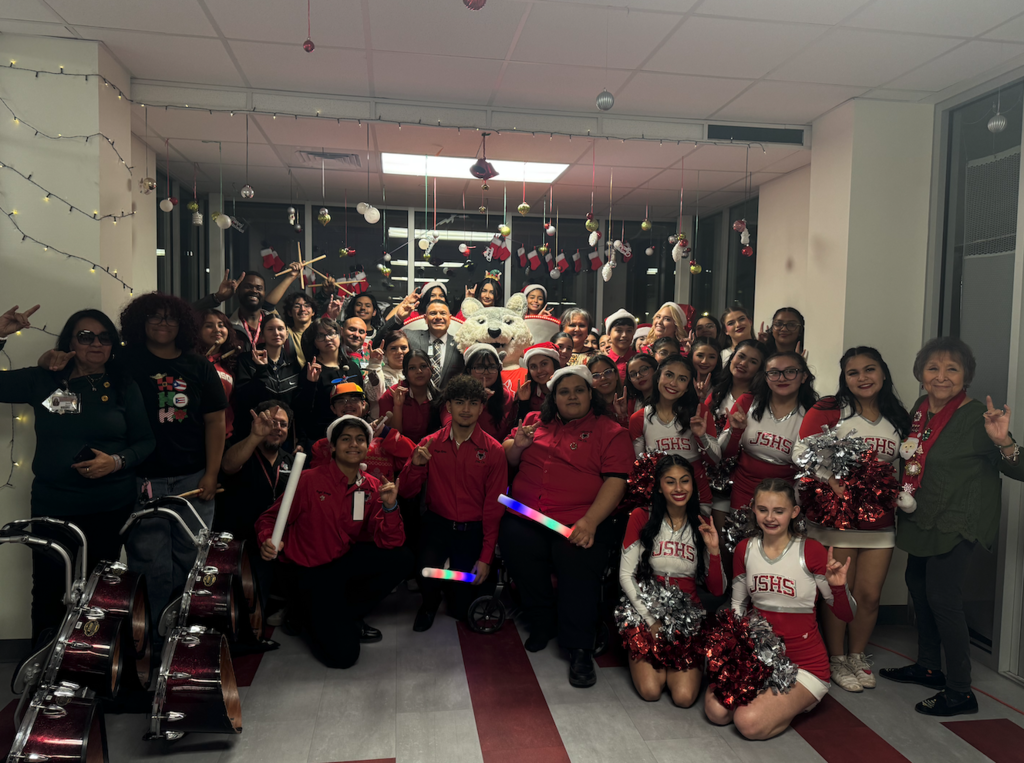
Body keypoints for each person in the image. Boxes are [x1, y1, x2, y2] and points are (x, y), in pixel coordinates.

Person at [880, 337, 1022, 716]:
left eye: (952, 369)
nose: (941, 376)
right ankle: (929, 665)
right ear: (921, 374)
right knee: (917, 585)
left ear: (965, 376)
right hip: (921, 515)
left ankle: (960, 690)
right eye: (933, 368)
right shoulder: (920, 409)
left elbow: (1019, 468)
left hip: (958, 519)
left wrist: (1005, 442)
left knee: (943, 596)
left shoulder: (978, 417)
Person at [3, 305, 155, 641]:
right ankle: (46, 665)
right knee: (48, 590)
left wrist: (116, 461)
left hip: (109, 506)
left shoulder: (123, 385)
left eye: (105, 337)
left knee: (100, 592)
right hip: (53, 506)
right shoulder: (43, 380)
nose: (96, 343)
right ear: (70, 342)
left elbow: (146, 441)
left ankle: (92, 661)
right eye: (86, 336)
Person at [500, 366, 633, 687]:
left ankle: (579, 648)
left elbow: (616, 481)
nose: (572, 396)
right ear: (553, 398)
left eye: (578, 390)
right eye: (564, 391)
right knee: (514, 541)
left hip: (579, 520)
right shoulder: (534, 421)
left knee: (577, 562)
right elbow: (509, 457)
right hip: (528, 515)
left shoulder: (611, 431)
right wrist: (518, 445)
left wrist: (590, 521)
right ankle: (542, 621)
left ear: (590, 395)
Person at [793, 347, 910, 694]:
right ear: (844, 378)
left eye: (869, 369)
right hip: (839, 517)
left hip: (880, 519)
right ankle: (836, 658)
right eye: (853, 372)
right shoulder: (830, 409)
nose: (863, 378)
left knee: (870, 595)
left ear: (883, 372)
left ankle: (857, 655)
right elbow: (800, 452)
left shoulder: (897, 416)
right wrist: (830, 478)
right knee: (840, 592)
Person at [257, 415, 412, 669]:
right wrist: (267, 539)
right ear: (333, 447)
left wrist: (390, 506)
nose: (354, 444)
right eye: (346, 439)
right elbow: (268, 519)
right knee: (344, 656)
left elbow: (391, 542)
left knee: (402, 558)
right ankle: (303, 612)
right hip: (306, 571)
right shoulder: (309, 480)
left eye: (360, 439)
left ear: (367, 447)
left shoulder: (371, 486)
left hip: (339, 563)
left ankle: (342, 612)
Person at [704, 479, 854, 739]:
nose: (770, 518)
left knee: (747, 723)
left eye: (779, 511)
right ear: (753, 508)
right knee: (717, 712)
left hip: (804, 665)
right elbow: (737, 607)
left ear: (794, 512)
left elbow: (846, 614)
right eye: (763, 509)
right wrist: (736, 659)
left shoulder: (811, 550)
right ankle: (767, 698)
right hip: (758, 659)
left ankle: (794, 703)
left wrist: (839, 588)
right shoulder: (745, 549)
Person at [118, 292, 227, 642]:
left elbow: (215, 422)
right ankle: (150, 643)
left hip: (193, 479)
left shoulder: (198, 366)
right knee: (149, 565)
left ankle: (186, 641)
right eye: (155, 316)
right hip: (141, 480)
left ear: (183, 325)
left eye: (171, 318)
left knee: (193, 562)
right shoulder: (124, 361)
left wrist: (211, 473)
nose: (163, 324)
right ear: (141, 322)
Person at [400, 375, 508, 631]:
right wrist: (416, 466)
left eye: (473, 403)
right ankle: (430, 602)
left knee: (461, 610)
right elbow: (406, 491)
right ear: (448, 406)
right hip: (437, 525)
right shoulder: (430, 443)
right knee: (425, 572)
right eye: (459, 402)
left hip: (473, 529)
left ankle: (453, 589)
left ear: (481, 408)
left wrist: (486, 556)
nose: (466, 409)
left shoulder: (494, 451)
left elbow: (494, 508)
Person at [618, 455, 724, 706]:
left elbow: (718, 590)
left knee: (684, 698)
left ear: (693, 485)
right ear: (659, 487)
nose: (679, 488)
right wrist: (651, 620)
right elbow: (625, 575)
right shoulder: (641, 517)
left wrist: (714, 551)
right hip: (647, 611)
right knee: (651, 691)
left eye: (684, 481)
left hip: (686, 617)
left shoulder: (702, 523)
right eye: (670, 482)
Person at [219, 401, 295, 615]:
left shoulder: (290, 461)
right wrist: (255, 436)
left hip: (275, 543)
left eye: (283, 424)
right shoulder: (243, 451)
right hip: (240, 546)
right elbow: (228, 465)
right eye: (271, 422)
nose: (277, 428)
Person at [719, 352, 817, 511]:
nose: (782, 378)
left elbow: (811, 469)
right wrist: (735, 432)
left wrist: (793, 503)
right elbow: (723, 453)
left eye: (790, 371)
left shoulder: (813, 414)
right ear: (765, 377)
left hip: (785, 496)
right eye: (774, 372)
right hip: (743, 491)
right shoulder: (747, 401)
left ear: (804, 376)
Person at [629, 355, 720, 514]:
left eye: (682, 379)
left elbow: (715, 460)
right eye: (669, 375)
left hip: (697, 497)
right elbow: (639, 468)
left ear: (688, 386)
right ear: (658, 377)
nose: (673, 383)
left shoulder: (699, 412)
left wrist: (701, 436)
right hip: (658, 499)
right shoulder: (638, 418)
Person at [705, 340, 768, 546]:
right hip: (713, 476)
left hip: (741, 479)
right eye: (741, 356)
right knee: (718, 541)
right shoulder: (716, 393)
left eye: (753, 361)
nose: (743, 363)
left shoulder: (760, 401)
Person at [196, 267, 300, 352]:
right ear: (237, 290)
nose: (254, 291)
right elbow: (188, 314)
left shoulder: (276, 325)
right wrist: (218, 297)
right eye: (248, 287)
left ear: (264, 293)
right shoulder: (226, 325)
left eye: (259, 288)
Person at [296, 317, 364, 446]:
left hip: (353, 430)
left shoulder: (352, 366)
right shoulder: (311, 369)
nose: (328, 339)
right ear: (314, 343)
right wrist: (311, 384)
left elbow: (362, 399)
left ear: (340, 336)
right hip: (323, 436)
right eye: (320, 336)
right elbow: (302, 411)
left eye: (332, 333)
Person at [233, 315, 301, 440]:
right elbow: (244, 399)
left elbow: (298, 407)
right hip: (252, 432)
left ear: (287, 334)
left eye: (280, 329)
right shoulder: (247, 360)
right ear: (262, 335)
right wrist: (261, 370)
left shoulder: (293, 365)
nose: (276, 333)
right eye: (270, 329)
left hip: (282, 435)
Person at [446, 344, 516, 442]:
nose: (486, 372)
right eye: (479, 367)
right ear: (469, 370)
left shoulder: (506, 397)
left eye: (492, 367)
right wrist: (478, 401)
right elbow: (452, 431)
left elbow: (510, 432)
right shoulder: (455, 394)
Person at [378, 349, 441, 447]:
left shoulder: (439, 397)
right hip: (397, 450)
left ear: (432, 369)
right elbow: (392, 437)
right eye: (412, 368)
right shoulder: (392, 394)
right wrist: (398, 406)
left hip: (429, 450)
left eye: (423, 366)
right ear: (405, 372)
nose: (419, 371)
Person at [403, 299, 464, 396]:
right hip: (416, 400)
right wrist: (398, 318)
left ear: (449, 318)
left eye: (443, 313)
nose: (438, 317)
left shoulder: (460, 344)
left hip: (448, 401)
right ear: (425, 318)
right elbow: (383, 339)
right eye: (433, 313)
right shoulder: (409, 336)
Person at [197, 309, 240, 440]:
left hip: (225, 435)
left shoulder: (232, 362)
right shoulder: (193, 361)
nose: (217, 330)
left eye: (221, 325)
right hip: (198, 435)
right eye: (209, 326)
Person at [516, 342, 561, 417]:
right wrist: (524, 402)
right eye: (533, 367)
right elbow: (521, 423)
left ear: (554, 364)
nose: (539, 370)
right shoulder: (526, 393)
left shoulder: (568, 390)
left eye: (544, 364)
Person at [587, 354, 626, 426]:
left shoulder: (631, 402)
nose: (603, 378)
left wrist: (623, 417)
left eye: (608, 372)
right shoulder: (587, 410)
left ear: (616, 375)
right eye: (596, 375)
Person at [280, 291, 316, 365]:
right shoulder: (286, 332)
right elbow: (268, 306)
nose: (302, 309)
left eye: (307, 305)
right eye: (297, 306)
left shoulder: (319, 331)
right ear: (290, 312)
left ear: (313, 312)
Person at [604, 309, 637, 382]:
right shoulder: (604, 363)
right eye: (619, 330)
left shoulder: (640, 360)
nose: (624, 335)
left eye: (629, 330)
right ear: (609, 333)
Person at [623, 353, 658, 419]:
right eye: (633, 374)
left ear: (655, 369)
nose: (638, 376)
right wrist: (623, 415)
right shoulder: (633, 402)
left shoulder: (667, 398)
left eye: (644, 369)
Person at [689, 337, 722, 403]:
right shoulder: (683, 381)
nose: (704, 361)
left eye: (711, 357)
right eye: (700, 356)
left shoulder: (722, 386)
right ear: (691, 356)